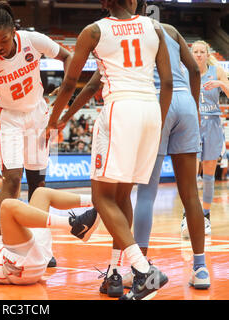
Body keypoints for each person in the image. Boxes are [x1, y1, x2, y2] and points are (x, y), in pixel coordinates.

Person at [59, 0, 211, 294]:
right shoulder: (167, 29)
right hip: (185, 106)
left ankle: (139, 270)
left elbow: (92, 85)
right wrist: (194, 106)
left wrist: (63, 115)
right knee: (190, 193)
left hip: (151, 105)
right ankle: (201, 267)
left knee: (142, 195)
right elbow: (193, 68)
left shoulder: (122, 32)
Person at [47, 0, 173, 300]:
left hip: (120, 110)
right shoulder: (154, 27)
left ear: (104, 2)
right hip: (150, 111)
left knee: (101, 197)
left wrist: (53, 121)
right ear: (132, 0)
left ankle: (143, 271)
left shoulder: (94, 31)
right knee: (120, 197)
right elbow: (167, 82)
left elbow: (70, 83)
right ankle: (115, 274)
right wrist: (158, 122)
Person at [0, 0, 74, 267]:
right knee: (12, 180)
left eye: (3, 40)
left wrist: (67, 91)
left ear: (14, 32)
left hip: (37, 113)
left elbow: (68, 57)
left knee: (38, 184)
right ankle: (9, 249)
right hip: (7, 118)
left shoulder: (33, 41)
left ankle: (41, 250)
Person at [182, 40, 229, 236]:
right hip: (192, 125)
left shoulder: (216, 70)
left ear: (207, 53)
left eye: (202, 51)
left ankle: (206, 217)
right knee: (191, 176)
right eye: (196, 52)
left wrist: (220, 83)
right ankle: (187, 216)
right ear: (191, 54)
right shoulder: (185, 73)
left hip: (212, 124)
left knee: (208, 177)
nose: (199, 54)